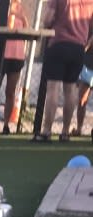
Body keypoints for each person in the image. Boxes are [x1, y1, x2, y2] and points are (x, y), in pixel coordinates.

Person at [35, 0, 93, 142]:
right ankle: (65, 132)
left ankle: (47, 131)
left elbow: (48, 19)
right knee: (71, 88)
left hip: (58, 43)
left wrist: (45, 24)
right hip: (78, 47)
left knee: (53, 87)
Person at [0, 1, 30, 133]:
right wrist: (8, 14)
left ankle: (6, 125)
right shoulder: (2, 9)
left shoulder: (21, 9)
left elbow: (26, 30)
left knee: (10, 91)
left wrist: (21, 16)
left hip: (17, 56)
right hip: (2, 55)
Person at [72, 37, 93, 134]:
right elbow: (85, 47)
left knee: (82, 100)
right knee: (82, 100)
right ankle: (79, 128)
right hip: (88, 66)